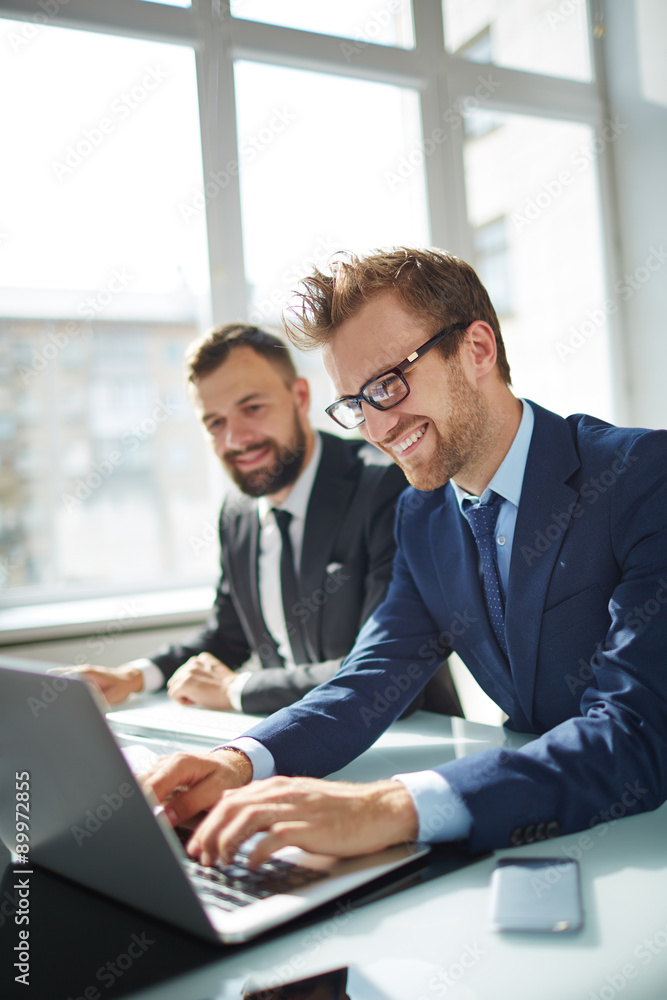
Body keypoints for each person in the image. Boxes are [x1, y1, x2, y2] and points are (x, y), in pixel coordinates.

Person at [143, 247, 667, 867]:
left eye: (389, 384)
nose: (378, 427)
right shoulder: (422, 518)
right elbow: (371, 678)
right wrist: (240, 759)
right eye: (356, 404)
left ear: (477, 349)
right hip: (551, 833)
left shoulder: (640, 476)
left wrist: (389, 808)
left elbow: (635, 732)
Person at [70, 323, 461, 716]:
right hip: (291, 748)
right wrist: (135, 677)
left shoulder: (386, 487)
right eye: (215, 423)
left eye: (252, 408)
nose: (236, 439)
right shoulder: (237, 512)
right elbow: (228, 635)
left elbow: (384, 670)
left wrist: (238, 690)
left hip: (406, 748)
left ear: (300, 397)